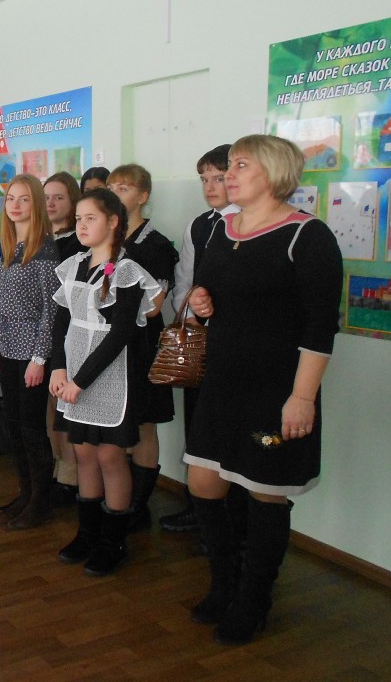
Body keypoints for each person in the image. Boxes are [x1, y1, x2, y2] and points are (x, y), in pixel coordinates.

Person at [185, 135, 342, 645]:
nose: (228, 175)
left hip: (274, 395)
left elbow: (320, 328)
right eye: (228, 166)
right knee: (203, 484)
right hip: (222, 386)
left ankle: (254, 598)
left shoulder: (308, 236)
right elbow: (207, 294)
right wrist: (201, 302)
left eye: (240, 165)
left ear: (273, 172)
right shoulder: (220, 229)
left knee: (264, 490)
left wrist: (302, 398)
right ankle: (224, 583)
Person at [49, 189, 164, 576]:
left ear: (113, 222)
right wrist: (59, 369)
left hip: (110, 376)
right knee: (83, 454)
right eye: (78, 219)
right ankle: (88, 533)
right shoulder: (74, 265)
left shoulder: (127, 271)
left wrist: (81, 381)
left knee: (109, 457)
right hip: (74, 375)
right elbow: (61, 323)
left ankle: (113, 541)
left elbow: (120, 335)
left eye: (90, 218)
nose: (81, 226)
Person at [159, 144, 241, 533]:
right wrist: (192, 313)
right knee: (198, 424)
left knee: (234, 432)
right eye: (204, 179)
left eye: (218, 178)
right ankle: (201, 507)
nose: (210, 187)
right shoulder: (200, 225)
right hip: (201, 342)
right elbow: (184, 281)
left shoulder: (251, 223)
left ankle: (235, 520)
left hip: (236, 346)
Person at [107, 164, 179, 529]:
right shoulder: (106, 237)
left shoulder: (156, 244)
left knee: (144, 422)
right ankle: (117, 499)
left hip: (141, 342)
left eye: (124, 188)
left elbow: (153, 307)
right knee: (116, 422)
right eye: (112, 187)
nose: (116, 194)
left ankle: (138, 504)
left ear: (143, 195)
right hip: (107, 341)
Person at [0, 174, 61, 528]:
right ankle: (26, 491)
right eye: (10, 199)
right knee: (13, 424)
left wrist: (39, 357)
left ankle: (40, 501)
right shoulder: (8, 246)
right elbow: (3, 305)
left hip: (33, 348)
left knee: (32, 428)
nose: (15, 206)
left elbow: (52, 309)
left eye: (24, 199)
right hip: (8, 345)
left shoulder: (44, 249)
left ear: (36, 205)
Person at [43, 171, 84, 506]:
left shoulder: (77, 244)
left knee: (64, 410)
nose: (51, 204)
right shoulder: (41, 237)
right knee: (48, 412)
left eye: (59, 197)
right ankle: (57, 470)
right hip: (39, 334)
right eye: (46, 197)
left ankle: (71, 478)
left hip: (67, 334)